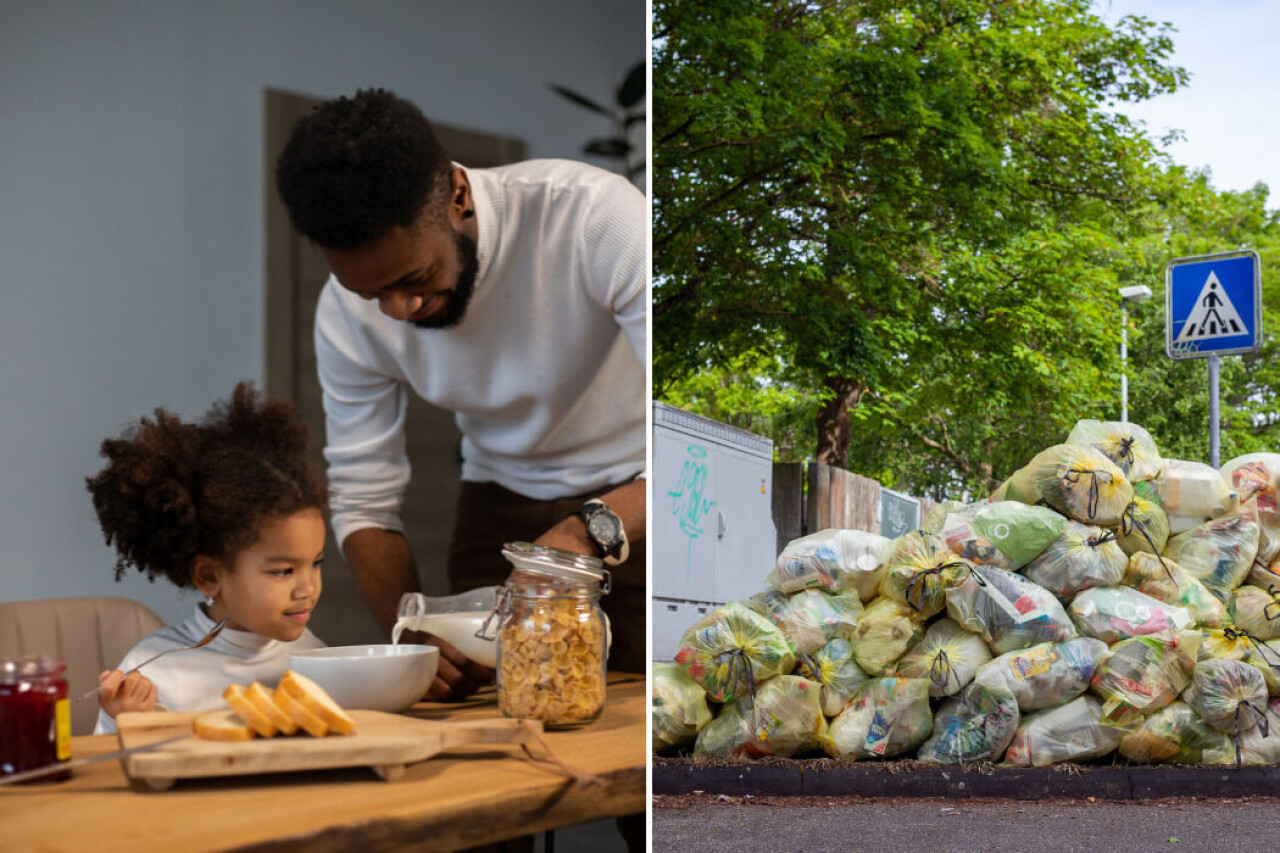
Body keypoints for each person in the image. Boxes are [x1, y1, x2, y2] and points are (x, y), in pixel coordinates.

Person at [274, 89, 648, 699]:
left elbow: (687, 437)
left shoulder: (595, 220)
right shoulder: (344, 315)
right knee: (486, 708)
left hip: (637, 495)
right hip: (497, 508)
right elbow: (364, 499)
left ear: (457, 195)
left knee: (637, 715)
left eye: (413, 279)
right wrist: (408, 630)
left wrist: (587, 532)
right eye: (372, 293)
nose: (397, 310)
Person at [85, 382, 329, 734]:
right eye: (284, 571)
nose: (307, 588)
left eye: (316, 563)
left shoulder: (316, 658)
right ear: (209, 577)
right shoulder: (151, 673)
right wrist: (121, 720)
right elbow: (110, 773)